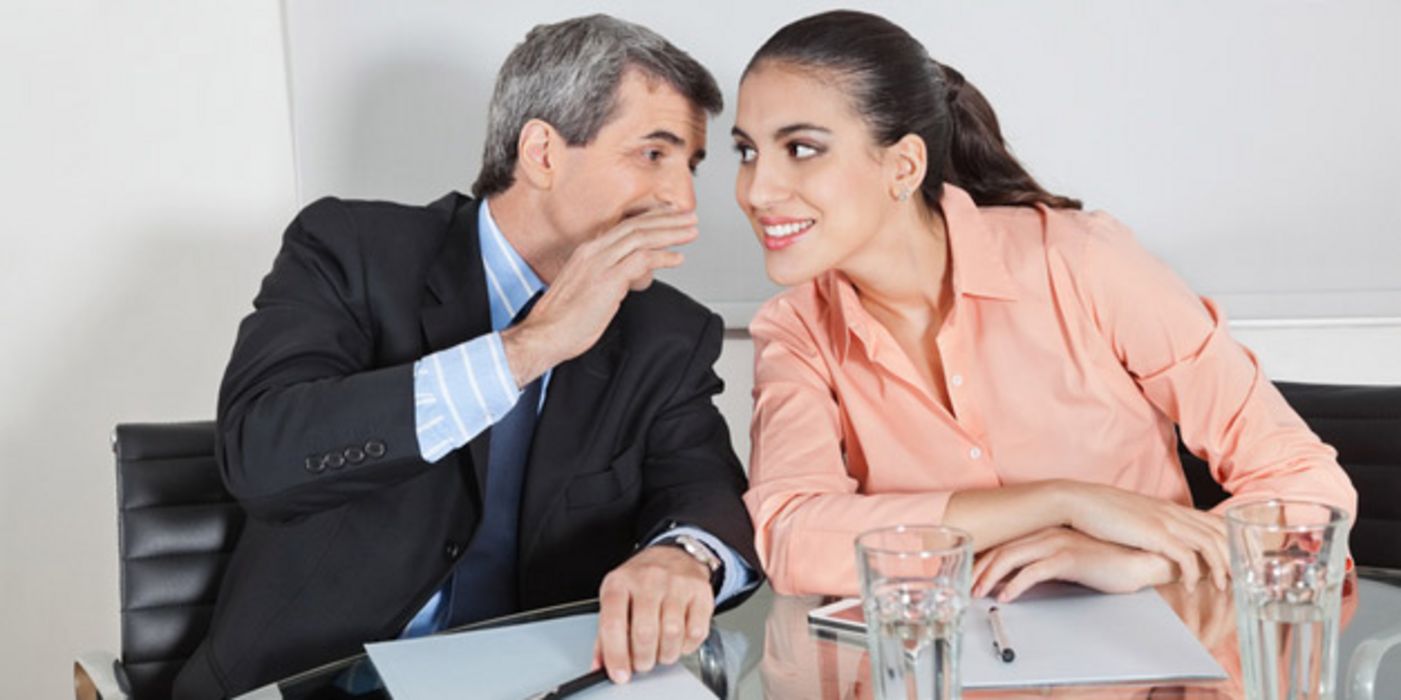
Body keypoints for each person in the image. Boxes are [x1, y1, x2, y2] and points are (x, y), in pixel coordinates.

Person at [175, 15, 760, 698]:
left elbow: (704, 489)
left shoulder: (668, 331)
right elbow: (261, 456)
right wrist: (530, 346)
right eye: (652, 155)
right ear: (541, 151)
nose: (682, 201)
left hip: (540, 679)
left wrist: (684, 555)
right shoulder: (351, 251)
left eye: (689, 166)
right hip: (315, 680)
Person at [735, 10, 1355, 601]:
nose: (757, 190)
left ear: (903, 165)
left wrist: (1140, 562)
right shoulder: (796, 332)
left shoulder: (1083, 262)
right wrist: (1063, 501)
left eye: (802, 149)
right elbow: (792, 539)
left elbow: (1306, 485)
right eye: (747, 151)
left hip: (1159, 660)